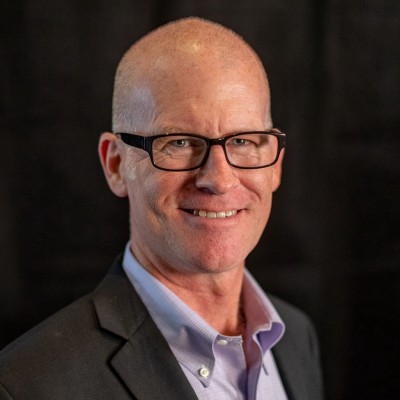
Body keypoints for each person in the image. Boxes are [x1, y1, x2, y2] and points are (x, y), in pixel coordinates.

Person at [0, 17, 323, 399]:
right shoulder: (27, 385)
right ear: (116, 165)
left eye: (243, 141)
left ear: (275, 165)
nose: (219, 180)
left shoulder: (296, 337)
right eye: (180, 143)